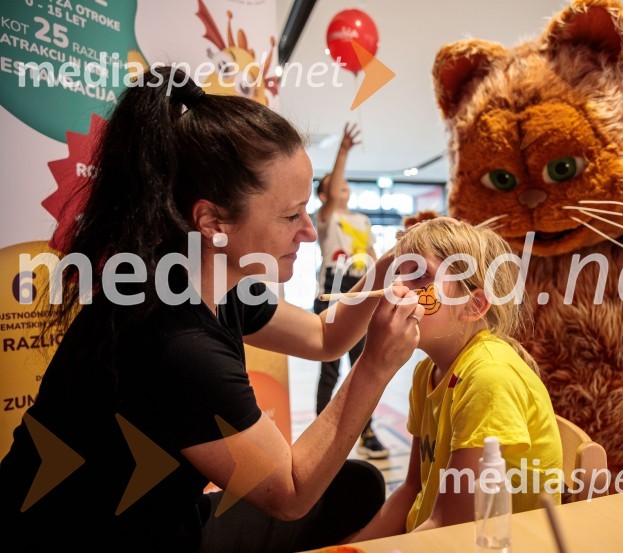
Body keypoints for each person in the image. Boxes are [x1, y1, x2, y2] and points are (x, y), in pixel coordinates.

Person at [0, 67, 424, 552]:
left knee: (357, 486)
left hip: (164, 516)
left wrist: (385, 270)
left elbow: (324, 337)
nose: (308, 232)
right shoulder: (174, 342)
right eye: (291, 215)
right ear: (212, 221)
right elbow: (290, 494)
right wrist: (375, 367)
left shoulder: (205, 279)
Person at [350, 218, 563, 540]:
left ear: (473, 305)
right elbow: (411, 489)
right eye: (398, 274)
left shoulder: (488, 377)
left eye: (420, 274)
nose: (396, 289)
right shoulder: (427, 372)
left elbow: (451, 526)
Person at [313, 123, 388, 459]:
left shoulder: (362, 220)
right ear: (324, 194)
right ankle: (319, 433)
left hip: (360, 289)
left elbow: (372, 257)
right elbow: (332, 192)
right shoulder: (325, 217)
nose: (343, 186)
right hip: (332, 289)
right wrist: (343, 151)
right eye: (336, 184)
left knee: (362, 366)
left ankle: (366, 431)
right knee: (330, 368)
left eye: (345, 183)